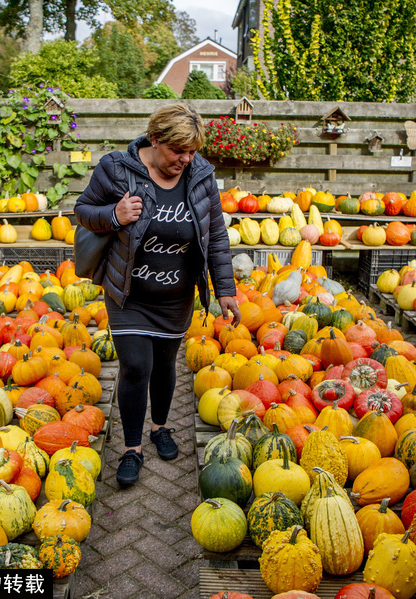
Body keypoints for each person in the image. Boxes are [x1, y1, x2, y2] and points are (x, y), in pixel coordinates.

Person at [74, 103, 241, 487]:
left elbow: (215, 236)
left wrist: (225, 290)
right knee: (136, 365)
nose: (185, 159)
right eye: (177, 151)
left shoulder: (201, 176)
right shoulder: (116, 169)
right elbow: (83, 210)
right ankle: (132, 447)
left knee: (166, 363)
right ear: (155, 139)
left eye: (192, 151)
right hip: (128, 293)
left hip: (176, 297)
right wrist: (115, 215)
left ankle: (160, 427)